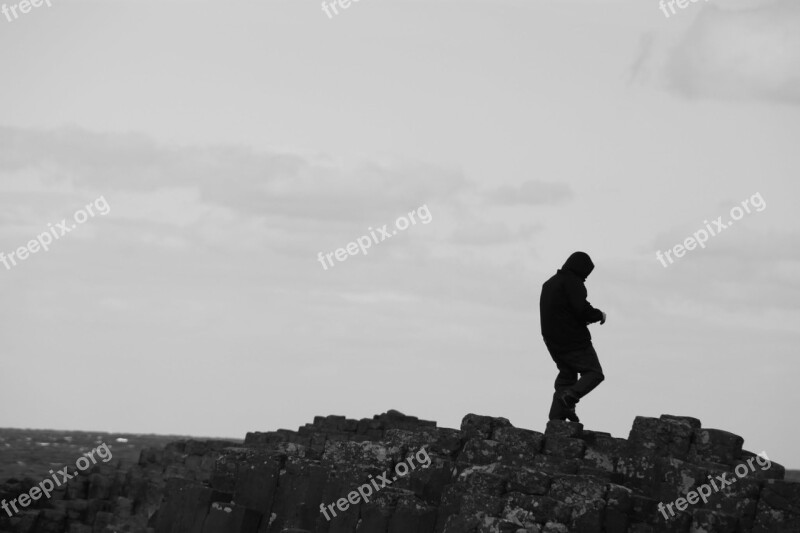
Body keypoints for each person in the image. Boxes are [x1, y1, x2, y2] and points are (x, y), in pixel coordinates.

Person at [539, 251, 606, 422]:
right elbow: (582, 310)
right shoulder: (572, 282)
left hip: (553, 342)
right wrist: (599, 315)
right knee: (594, 373)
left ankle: (557, 418)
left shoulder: (549, 283)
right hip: (574, 341)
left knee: (567, 376)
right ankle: (570, 397)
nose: (585, 278)